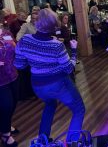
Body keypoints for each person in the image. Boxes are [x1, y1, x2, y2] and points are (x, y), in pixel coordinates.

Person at [14, 9, 85, 142]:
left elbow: (19, 65)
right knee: (79, 109)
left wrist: (36, 62)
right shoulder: (56, 45)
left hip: (37, 85)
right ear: (54, 26)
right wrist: (74, 51)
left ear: (36, 22)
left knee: (50, 104)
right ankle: (72, 142)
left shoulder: (24, 41)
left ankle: (42, 141)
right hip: (58, 84)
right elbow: (69, 68)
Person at [0, 10, 19, 147]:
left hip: (12, 73)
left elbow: (14, 48)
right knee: (6, 105)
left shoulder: (6, 34)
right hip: (0, 80)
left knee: (14, 101)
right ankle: (5, 134)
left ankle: (5, 123)